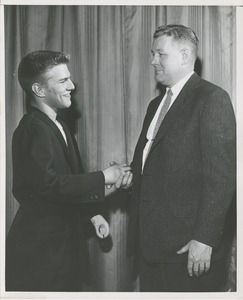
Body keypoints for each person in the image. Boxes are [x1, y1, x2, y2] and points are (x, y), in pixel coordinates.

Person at [6, 50, 131, 292]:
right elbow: (50, 185)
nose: (72, 86)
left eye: (69, 79)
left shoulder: (58, 125)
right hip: (41, 256)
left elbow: (71, 180)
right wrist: (105, 176)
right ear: (39, 90)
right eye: (63, 81)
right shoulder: (32, 129)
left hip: (60, 252)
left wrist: (93, 214)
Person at [126, 24, 236, 292]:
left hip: (188, 250)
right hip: (150, 248)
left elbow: (222, 177)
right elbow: (150, 164)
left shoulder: (212, 99)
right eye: (153, 54)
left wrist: (205, 239)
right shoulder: (156, 105)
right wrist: (126, 174)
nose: (152, 61)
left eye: (160, 54)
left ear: (185, 56)